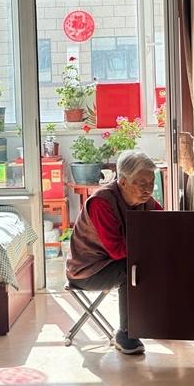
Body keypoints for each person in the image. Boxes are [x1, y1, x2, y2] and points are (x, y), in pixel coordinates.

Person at [66, 150, 163, 354]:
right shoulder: (102, 202)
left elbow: (165, 225)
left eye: (151, 182)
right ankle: (126, 334)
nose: (148, 189)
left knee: (159, 262)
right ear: (123, 181)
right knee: (132, 271)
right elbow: (118, 251)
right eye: (141, 183)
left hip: (113, 263)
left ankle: (162, 321)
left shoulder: (145, 201)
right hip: (87, 271)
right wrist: (153, 247)